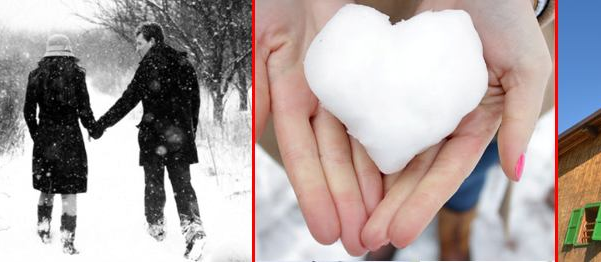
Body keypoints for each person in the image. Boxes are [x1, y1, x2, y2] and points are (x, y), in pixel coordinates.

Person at [256, 0, 553, 257]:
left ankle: (456, 230)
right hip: (318, 24)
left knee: (475, 155)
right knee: (344, 174)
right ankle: (381, 229)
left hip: (477, 42)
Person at [90, 22, 205, 260]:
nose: (137, 48)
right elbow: (195, 101)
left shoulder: (148, 66)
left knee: (154, 184)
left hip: (154, 137)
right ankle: (193, 228)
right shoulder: (184, 63)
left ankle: (156, 230)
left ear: (153, 41)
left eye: (139, 43)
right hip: (180, 136)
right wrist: (189, 129)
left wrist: (100, 125)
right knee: (183, 185)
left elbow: (127, 101)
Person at [23, 34, 97, 255]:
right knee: (69, 189)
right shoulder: (76, 75)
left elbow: (28, 112)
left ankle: (43, 229)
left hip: (45, 137)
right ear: (68, 51)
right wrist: (93, 128)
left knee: (46, 186)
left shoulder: (36, 75)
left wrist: (38, 135)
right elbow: (84, 109)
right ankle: (67, 238)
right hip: (70, 138)